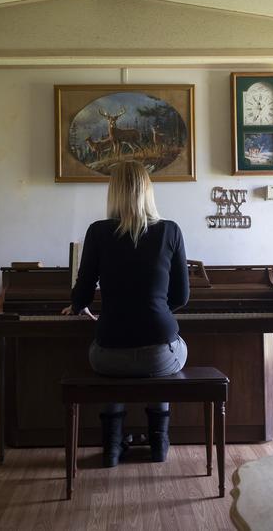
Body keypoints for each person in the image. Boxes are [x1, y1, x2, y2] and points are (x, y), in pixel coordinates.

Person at [62, 161, 189, 467]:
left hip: (108, 356)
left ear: (114, 193)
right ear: (148, 190)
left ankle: (112, 447)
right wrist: (153, 310)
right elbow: (182, 296)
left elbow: (82, 291)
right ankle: (158, 442)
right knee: (173, 350)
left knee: (111, 357)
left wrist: (78, 306)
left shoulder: (97, 231)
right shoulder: (170, 231)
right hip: (159, 353)